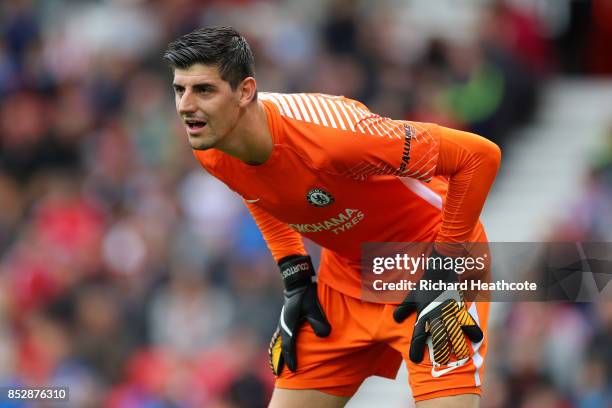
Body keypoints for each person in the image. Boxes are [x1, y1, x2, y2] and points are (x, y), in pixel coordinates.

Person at [163, 26, 501, 408]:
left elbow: (479, 157)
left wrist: (445, 265)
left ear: (245, 91)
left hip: (430, 263)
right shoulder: (210, 143)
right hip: (345, 278)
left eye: (203, 90)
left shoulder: (333, 135)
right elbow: (258, 189)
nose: (186, 106)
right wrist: (295, 274)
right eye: (180, 90)